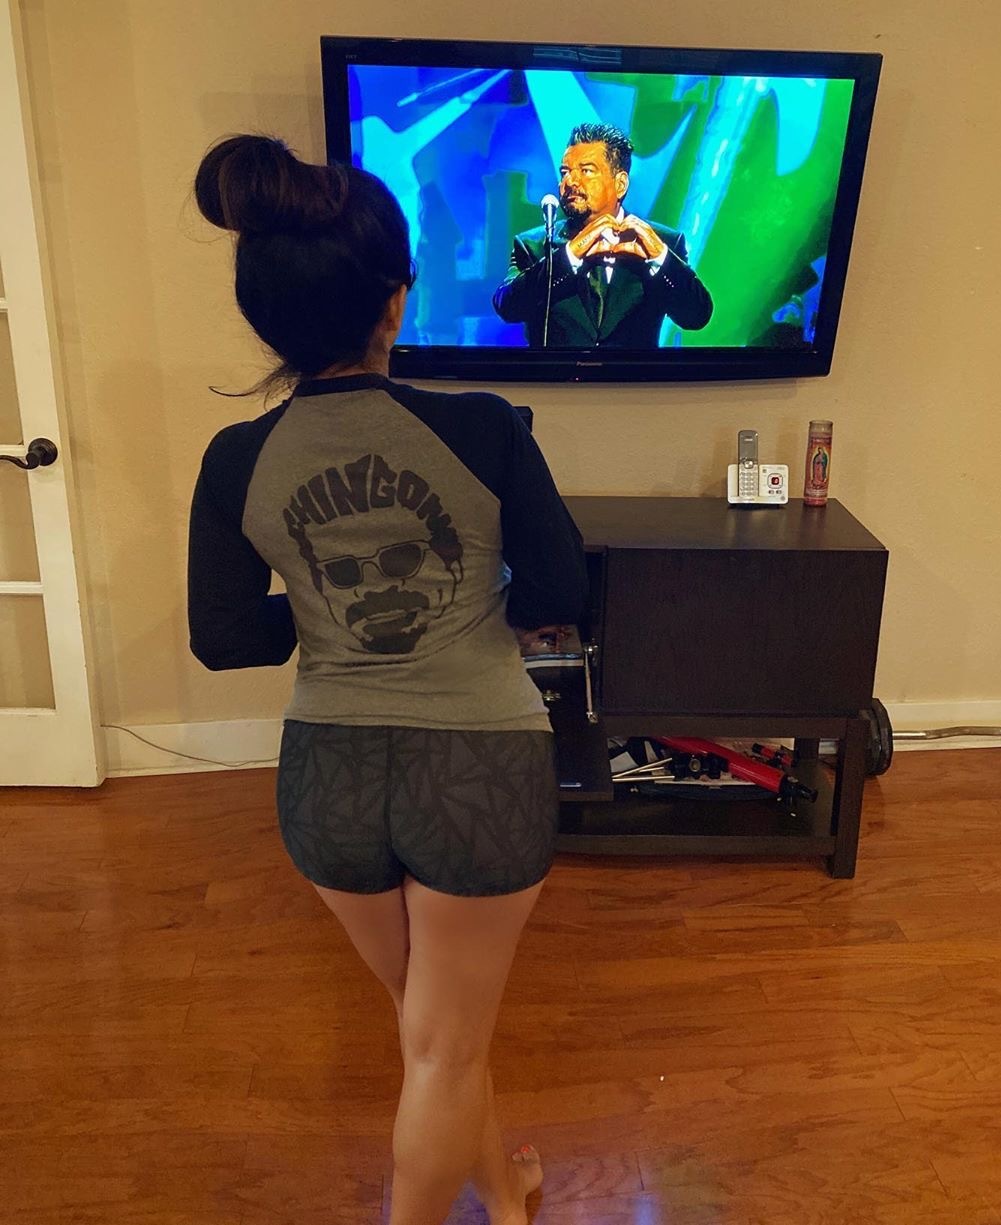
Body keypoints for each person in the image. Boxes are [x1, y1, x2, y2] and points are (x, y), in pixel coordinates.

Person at [187, 134, 588, 1225]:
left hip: (331, 782)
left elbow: (224, 636)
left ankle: (504, 1195)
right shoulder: (484, 427)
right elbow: (562, 589)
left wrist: (324, 602)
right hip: (480, 771)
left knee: (433, 1034)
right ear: (395, 301)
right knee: (445, 1049)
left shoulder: (235, 459)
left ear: (266, 319)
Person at [492, 121, 713, 348]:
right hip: (558, 373)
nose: (570, 182)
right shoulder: (533, 245)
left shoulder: (664, 243)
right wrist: (569, 256)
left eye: (586, 170)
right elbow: (507, 307)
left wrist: (660, 258)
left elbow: (696, 316)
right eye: (565, 172)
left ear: (620, 184)